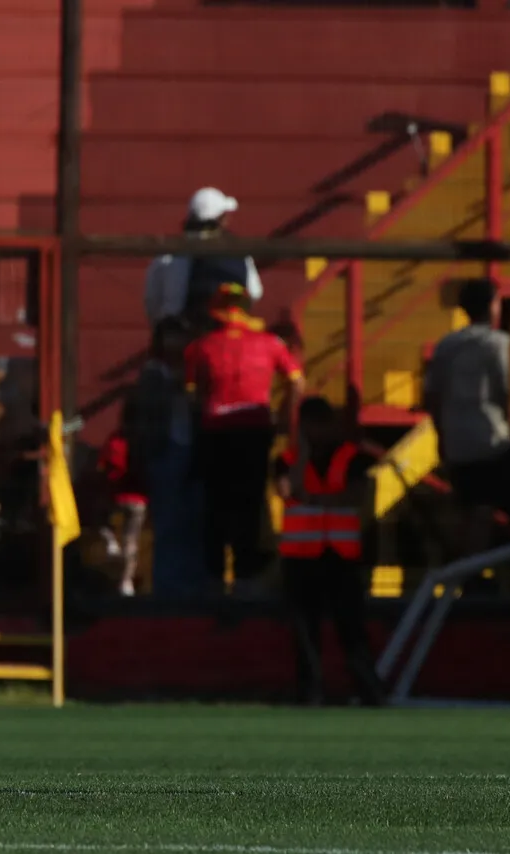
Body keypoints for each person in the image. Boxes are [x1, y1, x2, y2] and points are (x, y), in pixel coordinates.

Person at [185, 283, 304, 587]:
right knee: (250, 505)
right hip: (255, 430)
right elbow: (297, 382)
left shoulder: (200, 347)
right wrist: (281, 416)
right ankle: (247, 576)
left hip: (215, 434)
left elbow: (190, 397)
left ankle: (213, 578)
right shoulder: (271, 344)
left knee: (215, 507)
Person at [275, 396, 385, 706]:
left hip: (340, 556)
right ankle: (310, 694)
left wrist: (312, 499)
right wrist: (304, 458)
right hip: (300, 557)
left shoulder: (353, 458)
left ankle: (369, 691)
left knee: (351, 628)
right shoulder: (288, 459)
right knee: (305, 632)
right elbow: (286, 490)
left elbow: (356, 496)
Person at [423, 278, 510, 568]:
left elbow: (432, 395)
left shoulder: (446, 345)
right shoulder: (499, 344)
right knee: (495, 509)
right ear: (492, 306)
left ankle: (465, 566)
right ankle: (487, 569)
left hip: (457, 440)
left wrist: (441, 437)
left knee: (466, 507)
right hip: (493, 439)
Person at [137, 317, 204, 597]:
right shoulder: (154, 372)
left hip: (195, 451)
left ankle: (194, 584)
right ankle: (167, 587)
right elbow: (147, 409)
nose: (176, 344)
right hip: (167, 450)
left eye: (180, 337)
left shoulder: (197, 370)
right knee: (167, 521)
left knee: (195, 519)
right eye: (170, 337)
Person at [144, 187, 263, 334]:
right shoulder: (237, 252)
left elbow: (153, 301)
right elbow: (255, 292)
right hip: (227, 337)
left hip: (182, 339)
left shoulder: (168, 255)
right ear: (221, 220)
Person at [95, 398, 147, 597]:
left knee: (99, 516)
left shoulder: (115, 439)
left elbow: (102, 465)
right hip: (139, 498)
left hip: (116, 494)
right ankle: (126, 582)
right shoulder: (142, 440)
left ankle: (110, 541)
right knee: (131, 540)